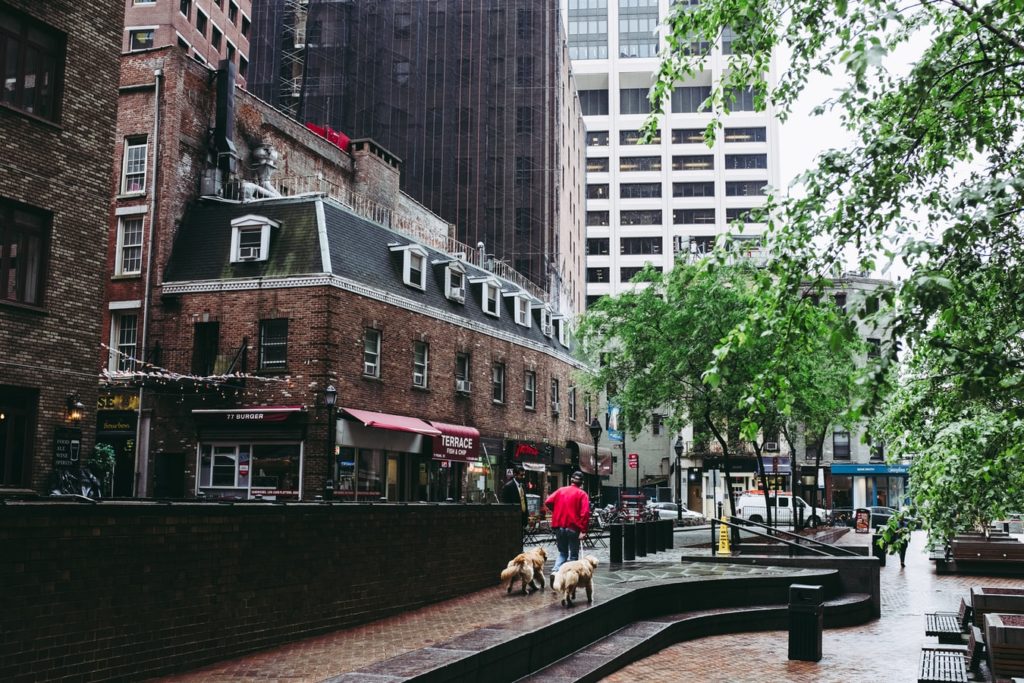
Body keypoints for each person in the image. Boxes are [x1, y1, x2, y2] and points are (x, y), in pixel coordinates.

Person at [545, 471, 590, 584]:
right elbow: (584, 513)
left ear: (571, 480)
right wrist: (583, 531)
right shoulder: (582, 494)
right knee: (573, 555)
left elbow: (548, 501)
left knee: (562, 553)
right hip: (573, 528)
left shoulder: (561, 490)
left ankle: (555, 572)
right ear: (581, 483)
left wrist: (556, 510)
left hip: (559, 526)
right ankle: (571, 580)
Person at [501, 466, 529, 530]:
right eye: (521, 475)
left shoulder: (522, 486)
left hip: (523, 517)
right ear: (515, 475)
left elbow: (524, 501)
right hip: (513, 517)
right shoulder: (508, 487)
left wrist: (526, 515)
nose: (523, 477)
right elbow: (505, 503)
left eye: (524, 475)